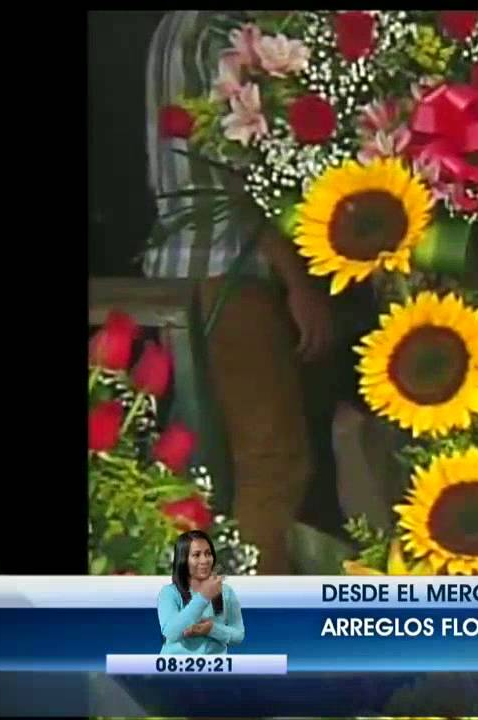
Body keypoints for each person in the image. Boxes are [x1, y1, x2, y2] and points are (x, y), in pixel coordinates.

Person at [144, 11, 335, 574]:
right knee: (272, 462)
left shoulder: (179, 24)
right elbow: (236, 166)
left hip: (189, 266)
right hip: (226, 266)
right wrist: (297, 281)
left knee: (217, 467)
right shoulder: (217, 27)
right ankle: (258, 635)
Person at [158, 530, 245, 654]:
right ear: (183, 559)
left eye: (208, 554)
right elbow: (171, 633)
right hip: (176, 668)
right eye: (196, 555)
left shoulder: (226, 592)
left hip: (215, 669)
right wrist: (203, 597)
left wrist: (211, 629)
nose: (204, 560)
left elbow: (238, 635)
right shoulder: (169, 593)